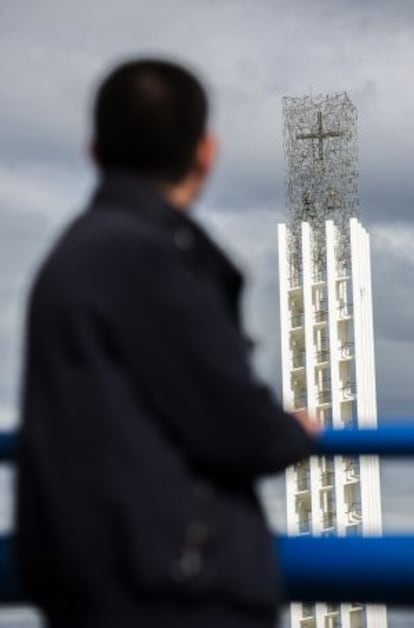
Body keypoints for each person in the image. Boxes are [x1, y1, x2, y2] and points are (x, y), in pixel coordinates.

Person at [17, 59, 318, 628]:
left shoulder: (69, 255)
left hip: (96, 583)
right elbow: (233, 421)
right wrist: (290, 430)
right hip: (175, 590)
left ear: (94, 151)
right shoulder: (149, 256)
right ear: (206, 153)